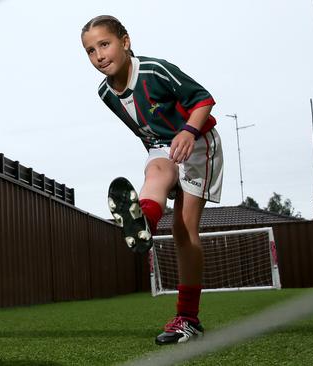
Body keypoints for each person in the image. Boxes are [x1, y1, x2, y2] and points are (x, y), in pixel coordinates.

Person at [81, 15, 223, 345]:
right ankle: (143, 221)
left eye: (105, 44)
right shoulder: (105, 93)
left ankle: (188, 319)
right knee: (155, 172)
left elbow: (203, 100)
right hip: (162, 146)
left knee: (184, 230)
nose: (99, 55)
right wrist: (158, 155)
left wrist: (188, 131)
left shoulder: (155, 71)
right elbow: (143, 127)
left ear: (125, 42)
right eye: (90, 51)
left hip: (198, 142)